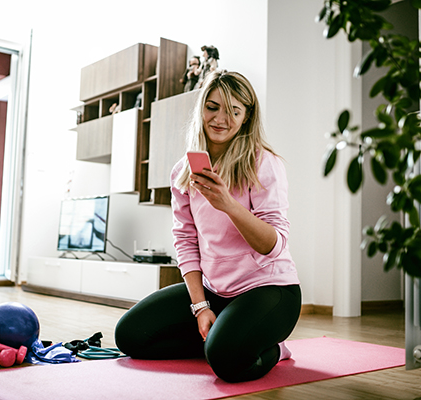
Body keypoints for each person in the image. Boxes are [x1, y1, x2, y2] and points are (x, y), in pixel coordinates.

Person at [114, 70, 301, 383]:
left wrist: (228, 204)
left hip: (269, 289)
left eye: (233, 111)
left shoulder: (263, 162)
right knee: (130, 336)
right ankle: (221, 338)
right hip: (215, 291)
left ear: (246, 117)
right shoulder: (183, 173)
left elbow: (273, 244)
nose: (220, 118)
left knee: (226, 362)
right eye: (212, 107)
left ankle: (274, 348)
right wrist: (200, 307)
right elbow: (185, 241)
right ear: (201, 109)